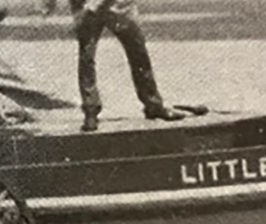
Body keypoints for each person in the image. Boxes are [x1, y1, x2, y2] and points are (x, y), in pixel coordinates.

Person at [71, 0, 184, 132]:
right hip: (86, 8)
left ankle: (153, 105)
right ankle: (90, 111)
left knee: (139, 53)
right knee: (87, 57)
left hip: (118, 7)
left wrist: (95, 4)